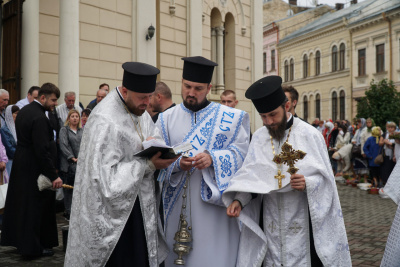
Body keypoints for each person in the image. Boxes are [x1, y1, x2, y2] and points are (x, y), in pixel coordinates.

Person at [223, 75, 351, 266]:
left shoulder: (310, 135)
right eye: (263, 117)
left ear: (287, 106)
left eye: (273, 114)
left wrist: (307, 183)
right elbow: (252, 176)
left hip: (302, 219)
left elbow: (327, 182)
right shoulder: (259, 137)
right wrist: (239, 200)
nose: (268, 122)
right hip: (270, 217)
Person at [65, 62, 176, 267]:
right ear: (125, 91)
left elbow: (149, 134)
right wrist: (147, 165)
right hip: (116, 219)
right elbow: (103, 180)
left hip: (140, 205)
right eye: (142, 97)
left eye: (150, 96)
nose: (147, 102)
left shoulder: (139, 110)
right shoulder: (105, 120)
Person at [155, 56, 250, 267]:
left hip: (214, 211)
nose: (191, 92)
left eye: (198, 88)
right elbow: (155, 160)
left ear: (208, 88)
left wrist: (213, 158)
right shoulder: (165, 119)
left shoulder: (230, 118)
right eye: (187, 86)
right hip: (175, 204)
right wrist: (178, 165)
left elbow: (243, 156)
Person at [1, 83, 63, 258]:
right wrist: (53, 175)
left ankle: (24, 243)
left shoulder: (26, 112)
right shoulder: (39, 117)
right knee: (33, 209)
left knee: (23, 206)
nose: (54, 104)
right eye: (52, 100)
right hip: (34, 167)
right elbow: (42, 150)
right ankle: (32, 247)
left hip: (22, 164)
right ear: (42, 97)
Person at [59, 109, 83, 221]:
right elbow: (64, 145)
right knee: (68, 190)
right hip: (68, 165)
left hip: (80, 163)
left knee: (78, 189)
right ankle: (68, 212)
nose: (75, 118)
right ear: (68, 118)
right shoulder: (64, 130)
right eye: (72, 116)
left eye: (76, 116)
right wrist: (72, 157)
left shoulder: (81, 131)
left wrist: (81, 157)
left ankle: (78, 211)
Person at [0, 105, 19, 175]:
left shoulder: (18, 127)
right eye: (16, 113)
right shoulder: (4, 129)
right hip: (10, 161)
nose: (18, 115)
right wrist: (20, 154)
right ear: (10, 114)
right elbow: (8, 147)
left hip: (19, 160)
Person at [379, 121, 397, 186]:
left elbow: (397, 144)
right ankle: (386, 184)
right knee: (385, 170)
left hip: (394, 155)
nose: (390, 129)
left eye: (392, 127)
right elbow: (380, 143)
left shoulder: (396, 134)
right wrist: (384, 142)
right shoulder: (384, 134)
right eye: (389, 127)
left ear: (394, 128)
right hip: (386, 155)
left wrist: (390, 143)